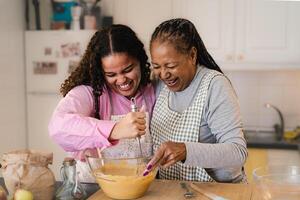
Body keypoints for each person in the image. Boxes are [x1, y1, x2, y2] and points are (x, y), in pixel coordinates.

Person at [144, 18, 248, 183]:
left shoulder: (214, 85)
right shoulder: (159, 86)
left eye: (170, 66)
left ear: (192, 55)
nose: (163, 74)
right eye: (157, 66)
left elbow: (238, 153)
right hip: (174, 192)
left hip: (219, 192)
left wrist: (186, 150)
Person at [48, 24, 155, 182]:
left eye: (127, 69)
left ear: (140, 59)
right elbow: (58, 127)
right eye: (111, 74)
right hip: (94, 186)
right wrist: (115, 130)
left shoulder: (152, 91)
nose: (121, 80)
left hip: (141, 184)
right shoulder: (90, 94)